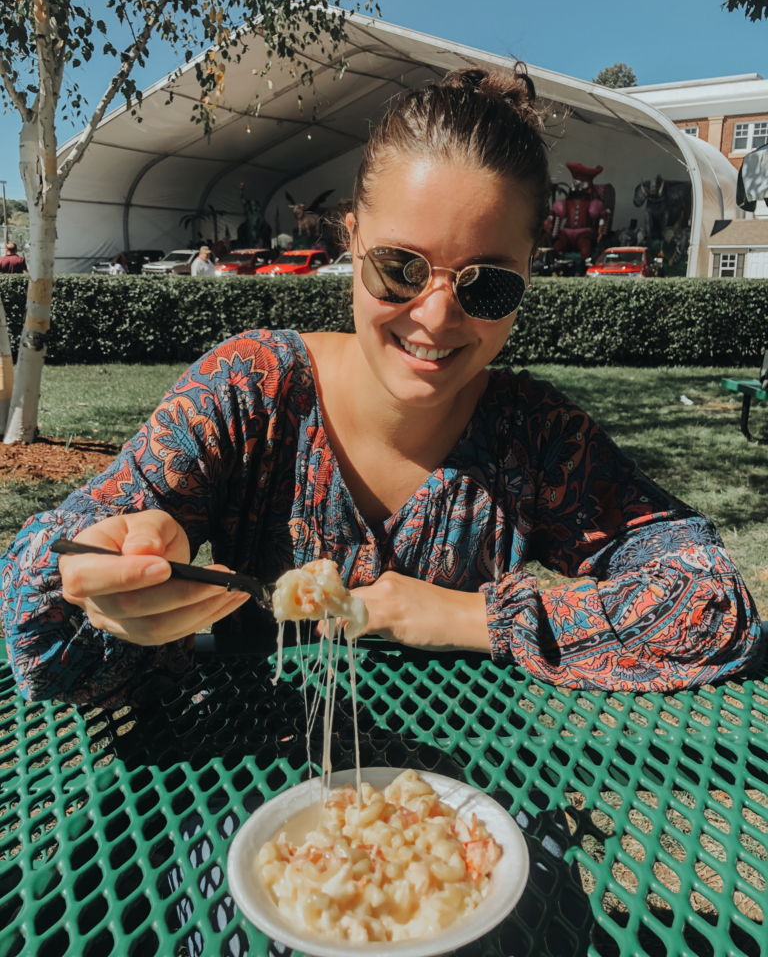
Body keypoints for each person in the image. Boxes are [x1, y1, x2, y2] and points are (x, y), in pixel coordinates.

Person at [1, 66, 762, 709]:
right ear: (351, 236)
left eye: (487, 284)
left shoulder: (534, 438)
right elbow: (33, 616)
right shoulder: (249, 394)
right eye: (400, 267)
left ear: (533, 269)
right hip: (249, 792)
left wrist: (465, 616)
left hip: (458, 807)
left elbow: (715, 608)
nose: (435, 315)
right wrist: (97, 582)